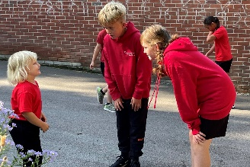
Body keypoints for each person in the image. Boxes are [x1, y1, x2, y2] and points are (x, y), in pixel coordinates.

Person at [140, 24, 236, 167]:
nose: (144, 51)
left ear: (156, 46)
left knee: (199, 143)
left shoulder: (173, 58)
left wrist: (193, 123)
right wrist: (193, 126)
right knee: (194, 137)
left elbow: (185, 95)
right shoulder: (173, 53)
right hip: (218, 92)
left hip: (218, 96)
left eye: (145, 47)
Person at [98, 2, 152, 167]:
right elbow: (107, 70)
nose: (108, 31)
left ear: (123, 23)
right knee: (122, 128)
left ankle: (134, 158)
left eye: (111, 27)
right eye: (105, 28)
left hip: (137, 96)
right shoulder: (107, 39)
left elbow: (144, 70)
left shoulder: (137, 39)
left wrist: (137, 94)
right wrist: (114, 94)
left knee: (136, 128)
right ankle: (124, 156)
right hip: (120, 95)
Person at [7, 50, 50, 167]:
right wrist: (41, 124)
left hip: (28, 123)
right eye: (34, 63)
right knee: (31, 159)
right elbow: (25, 112)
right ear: (24, 69)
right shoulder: (25, 89)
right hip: (22, 126)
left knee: (36, 156)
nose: (39, 65)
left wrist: (39, 112)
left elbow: (31, 105)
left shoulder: (33, 83)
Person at [204, 16, 235, 108]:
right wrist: (207, 54)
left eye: (208, 27)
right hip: (222, 58)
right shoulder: (218, 31)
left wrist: (210, 32)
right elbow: (215, 44)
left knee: (222, 80)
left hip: (223, 59)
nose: (208, 30)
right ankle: (226, 99)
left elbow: (208, 40)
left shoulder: (221, 30)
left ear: (213, 24)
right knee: (223, 79)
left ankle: (229, 100)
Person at [90, 29, 115, 113]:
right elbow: (98, 47)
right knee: (112, 83)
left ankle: (102, 91)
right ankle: (108, 104)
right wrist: (93, 61)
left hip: (116, 62)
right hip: (106, 62)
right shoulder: (102, 33)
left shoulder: (119, 31)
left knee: (115, 82)